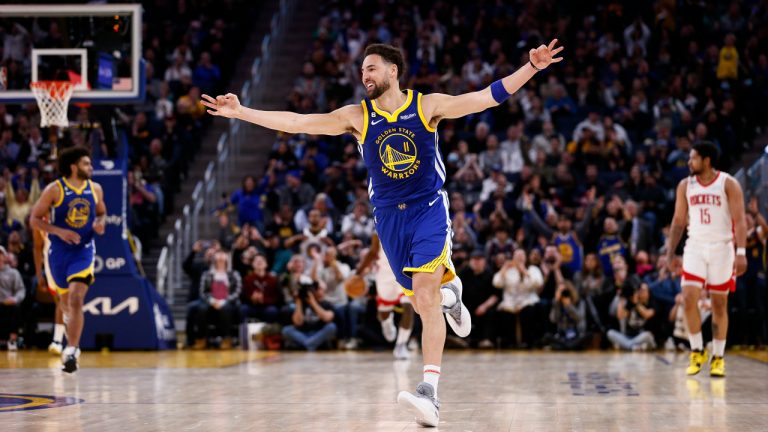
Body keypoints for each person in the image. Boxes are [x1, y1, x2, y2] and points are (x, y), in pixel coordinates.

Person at [202, 39, 564, 426]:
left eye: (371, 68)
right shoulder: (357, 116)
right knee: (425, 301)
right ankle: (450, 295)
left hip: (428, 210)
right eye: (362, 71)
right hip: (389, 219)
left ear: (393, 71)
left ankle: (430, 393)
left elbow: (485, 98)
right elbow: (297, 122)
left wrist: (531, 68)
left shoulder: (426, 106)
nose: (365, 75)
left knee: (422, 296)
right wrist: (242, 113)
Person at [666, 141, 747, 377]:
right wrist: (670, 253)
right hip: (695, 247)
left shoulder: (728, 183)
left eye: (693, 158)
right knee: (689, 298)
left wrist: (741, 253)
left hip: (722, 247)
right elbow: (679, 221)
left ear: (707, 160)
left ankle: (718, 357)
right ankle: (697, 350)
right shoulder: (685, 185)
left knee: (719, 304)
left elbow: (740, 220)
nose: (689, 162)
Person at [30, 146, 107, 372]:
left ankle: (72, 350)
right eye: (86, 163)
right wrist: (59, 231)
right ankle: (67, 337)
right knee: (65, 305)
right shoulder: (54, 190)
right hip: (59, 253)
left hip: (83, 251)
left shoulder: (96, 189)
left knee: (75, 299)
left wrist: (100, 223)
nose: (90, 167)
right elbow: (34, 219)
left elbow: (102, 212)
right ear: (73, 167)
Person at [356, 232, 415, 359]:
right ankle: (386, 323)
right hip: (385, 274)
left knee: (409, 306)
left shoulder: (411, 222)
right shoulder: (379, 227)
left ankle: (401, 345)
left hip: (406, 271)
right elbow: (372, 253)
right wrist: (358, 272)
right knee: (384, 312)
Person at [0, 246, 25, 351]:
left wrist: (15, 299)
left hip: (10, 304)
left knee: (16, 308)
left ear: (4, 256)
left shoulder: (13, 273)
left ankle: (12, 339)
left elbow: (21, 290)